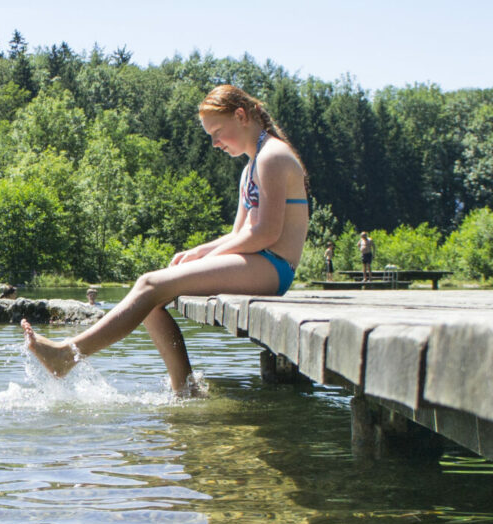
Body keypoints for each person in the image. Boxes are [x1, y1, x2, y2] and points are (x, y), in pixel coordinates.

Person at [23, 83, 311, 395]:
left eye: (216, 131)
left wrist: (206, 258)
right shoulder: (251, 166)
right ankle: (184, 389)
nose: (214, 142)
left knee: (150, 284)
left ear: (241, 116)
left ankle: (67, 355)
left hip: (273, 266)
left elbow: (267, 233)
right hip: (256, 262)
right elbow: (238, 234)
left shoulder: (272, 157)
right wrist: (198, 251)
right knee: (150, 295)